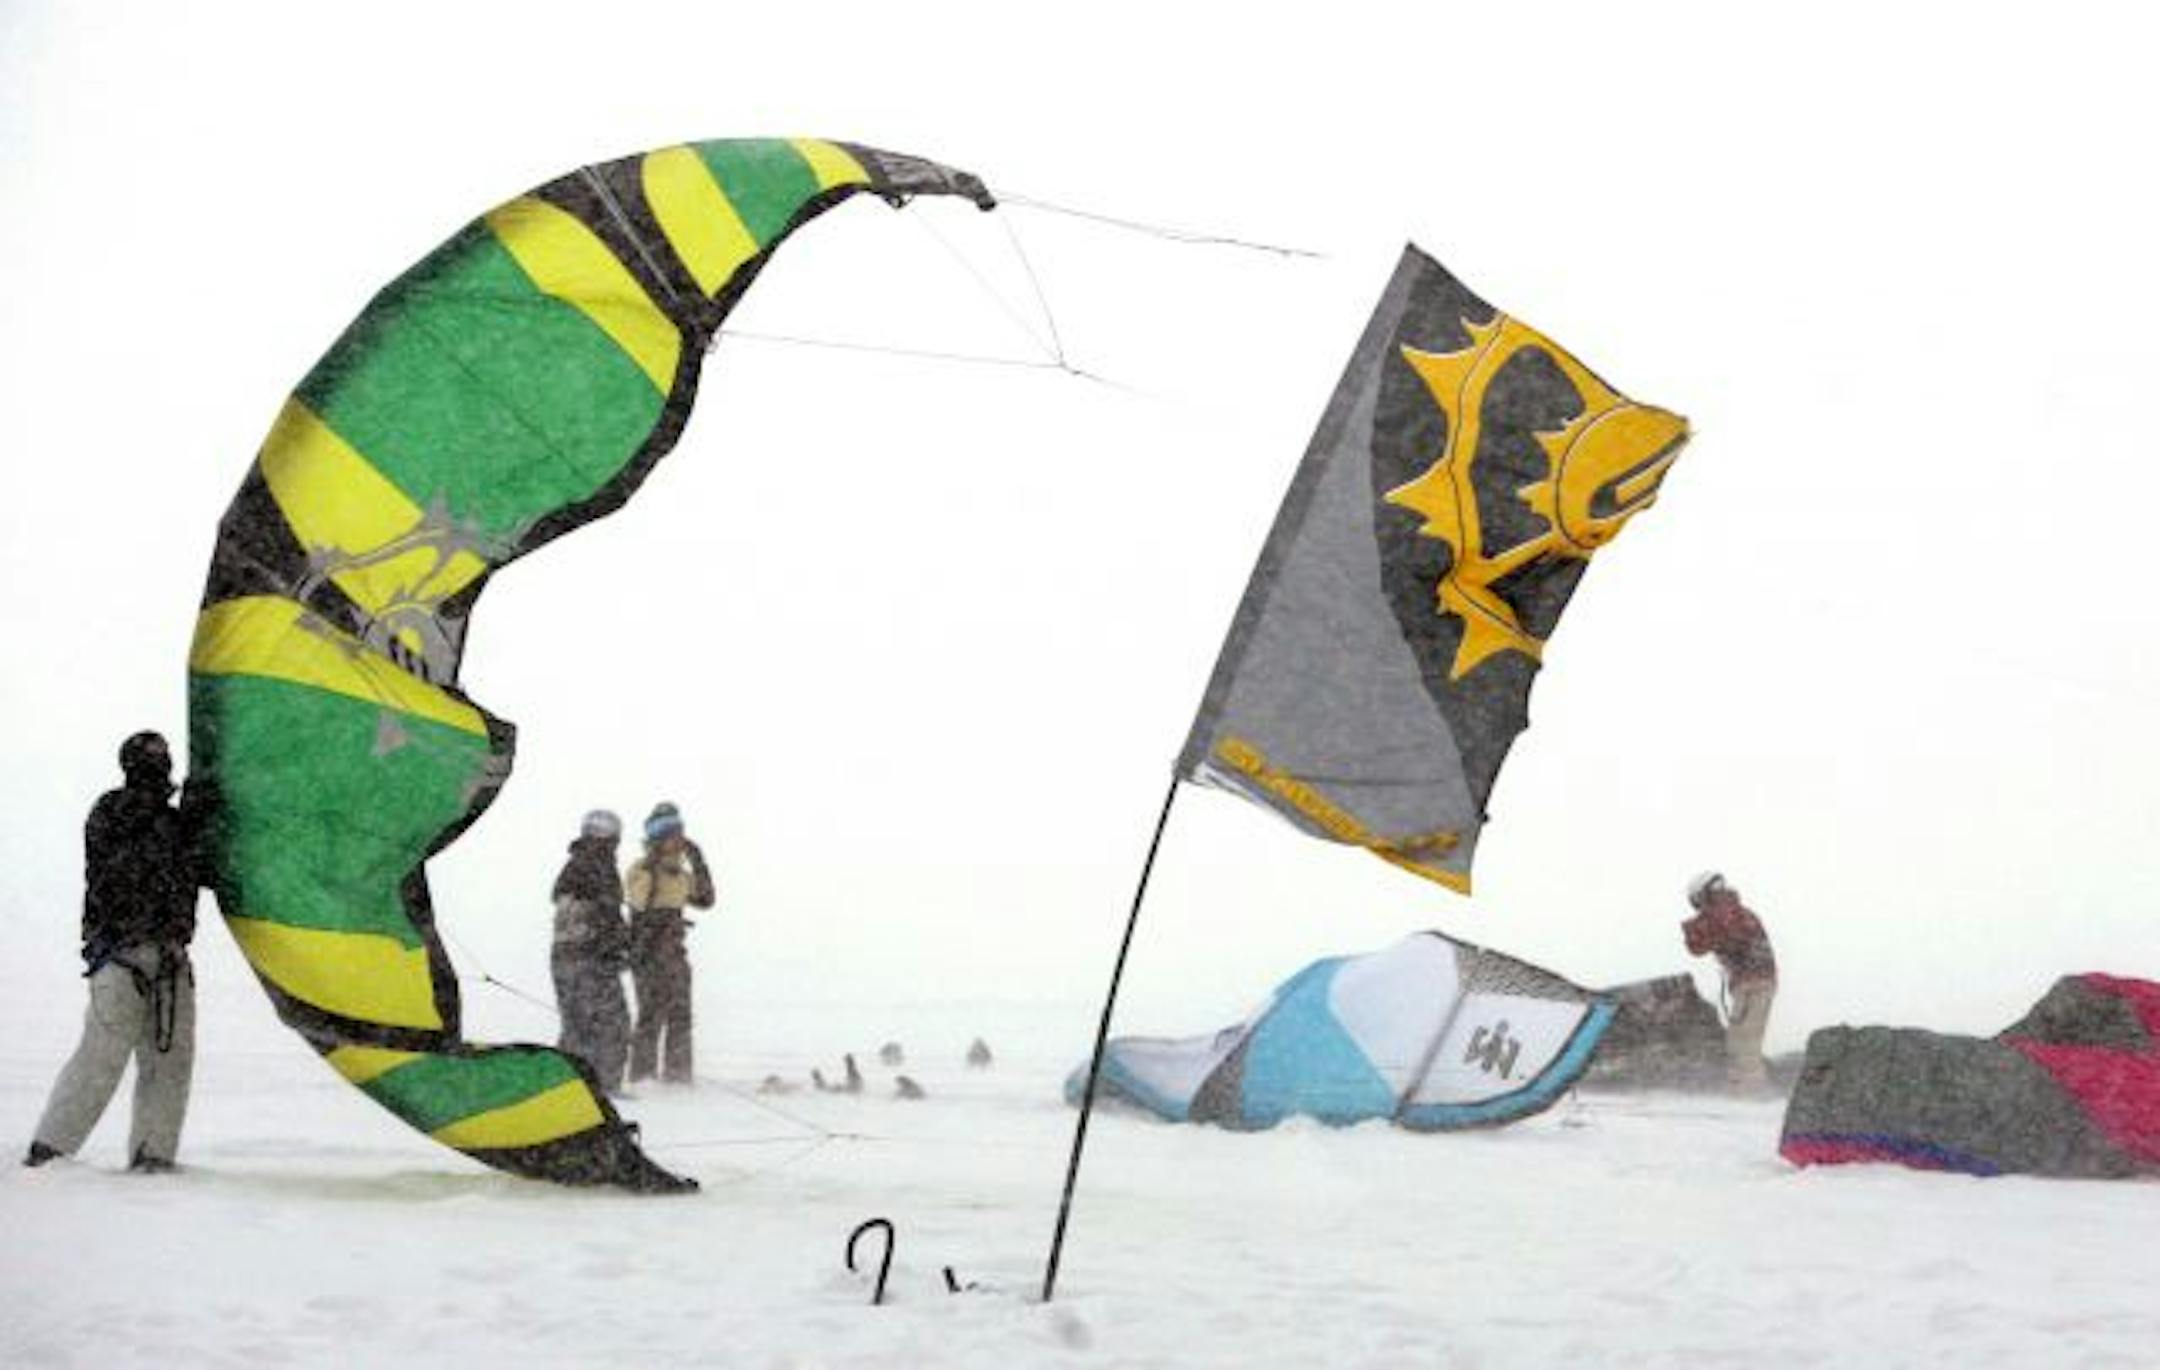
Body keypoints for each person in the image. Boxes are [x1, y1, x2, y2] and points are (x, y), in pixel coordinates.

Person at [26, 731, 212, 1171]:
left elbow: (201, 869)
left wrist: (199, 821)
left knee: (169, 1062)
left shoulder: (171, 824)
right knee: (103, 1057)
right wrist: (190, 817)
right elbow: (133, 863)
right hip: (122, 956)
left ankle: (154, 1156)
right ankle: (50, 1151)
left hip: (166, 959)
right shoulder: (113, 811)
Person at [624, 802, 714, 1085]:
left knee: (680, 1015)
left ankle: (678, 1077)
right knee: (650, 1015)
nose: (676, 840)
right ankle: (643, 1077)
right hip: (647, 953)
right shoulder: (641, 869)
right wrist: (654, 867)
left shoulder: (680, 875)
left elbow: (706, 899)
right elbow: (638, 904)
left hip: (674, 953)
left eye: (678, 832)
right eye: (668, 832)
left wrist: (698, 861)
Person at [551, 809, 633, 1096]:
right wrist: (619, 946)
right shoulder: (596, 866)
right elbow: (604, 914)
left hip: (570, 957)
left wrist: (620, 942)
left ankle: (571, 1084)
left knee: (578, 1024)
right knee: (609, 1023)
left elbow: (596, 913)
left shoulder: (578, 864)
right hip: (589, 957)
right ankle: (600, 1087)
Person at [1680, 871, 1778, 1091]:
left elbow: (1703, 944)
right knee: (1738, 1039)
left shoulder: (1729, 912)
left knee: (1747, 1040)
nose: (1698, 908)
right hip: (1748, 982)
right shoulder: (1732, 912)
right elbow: (1700, 946)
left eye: (1698, 902)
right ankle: (1740, 1087)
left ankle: (1752, 1090)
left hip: (1757, 982)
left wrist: (1696, 928)